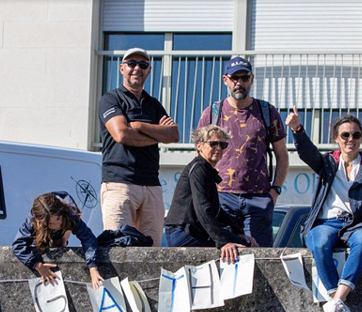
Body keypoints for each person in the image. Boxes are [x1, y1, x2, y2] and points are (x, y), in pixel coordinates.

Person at [285, 107, 362, 312]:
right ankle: (339, 302)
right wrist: (297, 129)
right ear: (336, 138)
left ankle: (335, 301)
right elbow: (307, 152)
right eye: (345, 135)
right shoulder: (327, 164)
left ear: (361, 138)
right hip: (327, 222)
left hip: (357, 224)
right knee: (319, 242)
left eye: (356, 135)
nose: (350, 139)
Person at [197, 56, 289, 247]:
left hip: (258, 199)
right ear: (225, 80)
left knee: (260, 259)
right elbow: (201, 157)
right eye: (234, 78)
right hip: (221, 197)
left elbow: (282, 155)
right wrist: (206, 193)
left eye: (244, 78)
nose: (239, 83)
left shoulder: (267, 112)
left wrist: (275, 191)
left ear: (251, 79)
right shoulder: (212, 113)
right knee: (223, 256)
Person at [98, 47, 180, 247]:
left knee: (151, 253)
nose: (137, 68)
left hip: (151, 185)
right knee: (117, 250)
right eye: (131, 64)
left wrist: (141, 126)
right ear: (121, 68)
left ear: (149, 70)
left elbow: (174, 134)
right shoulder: (111, 99)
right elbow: (122, 134)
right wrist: (157, 134)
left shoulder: (153, 104)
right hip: (119, 184)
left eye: (143, 65)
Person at [164, 125, 254, 264]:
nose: (218, 148)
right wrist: (223, 242)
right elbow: (202, 208)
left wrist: (239, 232)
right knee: (244, 249)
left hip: (187, 231)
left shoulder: (205, 170)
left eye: (222, 145)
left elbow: (217, 212)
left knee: (244, 243)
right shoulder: (199, 169)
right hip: (182, 233)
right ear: (199, 146)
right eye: (213, 144)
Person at [12, 192, 103, 289]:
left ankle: (61, 238)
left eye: (58, 219)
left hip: (65, 224)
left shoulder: (70, 215)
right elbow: (18, 245)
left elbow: (88, 238)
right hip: (43, 232)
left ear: (61, 213)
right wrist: (37, 265)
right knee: (42, 244)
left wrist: (93, 267)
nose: (56, 225)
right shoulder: (32, 220)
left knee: (61, 239)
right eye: (51, 223)